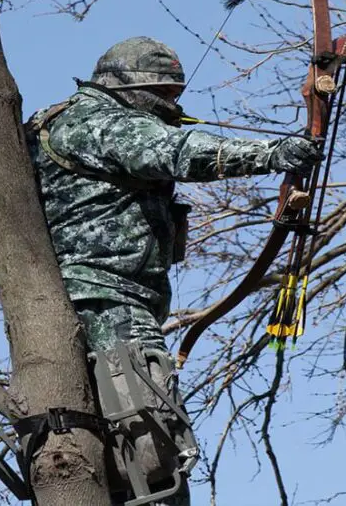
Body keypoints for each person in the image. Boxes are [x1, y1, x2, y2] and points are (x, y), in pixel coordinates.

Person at [26, 36, 321, 505]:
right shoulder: (92, 123)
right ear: (133, 89)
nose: (172, 105)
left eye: (175, 96)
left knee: (138, 437)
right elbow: (172, 150)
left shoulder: (91, 119)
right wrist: (270, 154)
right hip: (104, 295)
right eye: (164, 95)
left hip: (112, 294)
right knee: (152, 444)